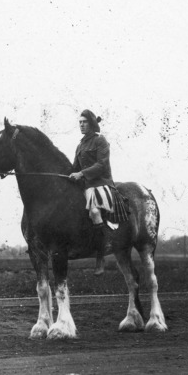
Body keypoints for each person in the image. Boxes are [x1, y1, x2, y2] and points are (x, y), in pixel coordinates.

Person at [70, 109, 116, 275]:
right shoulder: (80, 145)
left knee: (95, 212)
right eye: (80, 122)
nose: (81, 125)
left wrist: (81, 174)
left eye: (84, 122)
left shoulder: (100, 141)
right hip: (86, 185)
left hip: (101, 183)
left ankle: (101, 255)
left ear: (91, 123)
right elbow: (74, 168)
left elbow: (101, 165)